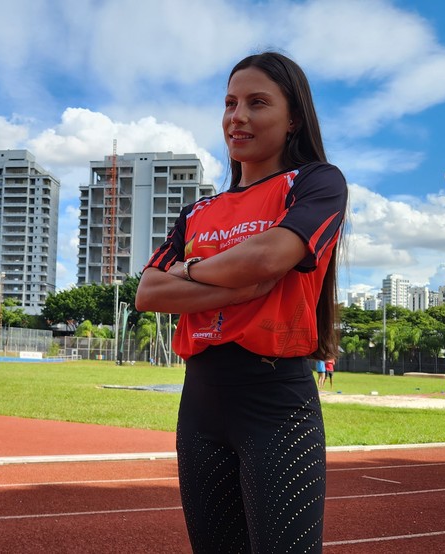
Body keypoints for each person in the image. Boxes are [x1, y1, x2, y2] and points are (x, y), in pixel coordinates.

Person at [135, 51, 345, 553]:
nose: (238, 116)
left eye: (257, 102)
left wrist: (191, 272)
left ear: (293, 117)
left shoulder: (315, 182)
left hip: (274, 404)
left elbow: (271, 256)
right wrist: (231, 279)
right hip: (201, 405)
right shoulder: (198, 211)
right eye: (230, 103)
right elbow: (148, 292)